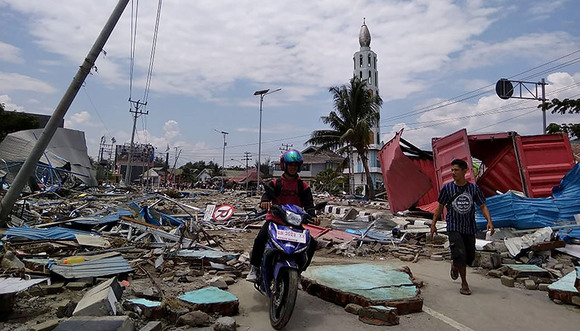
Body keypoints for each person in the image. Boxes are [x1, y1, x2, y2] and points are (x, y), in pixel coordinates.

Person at [246, 149, 319, 283]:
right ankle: (254, 268)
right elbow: (266, 194)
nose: (292, 167)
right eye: (290, 164)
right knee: (260, 238)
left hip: (295, 223)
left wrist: (313, 215)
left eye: (295, 165)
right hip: (275, 220)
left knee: (312, 243)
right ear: (284, 165)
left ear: (299, 167)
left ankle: (299, 272)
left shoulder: (303, 186)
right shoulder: (276, 183)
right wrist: (265, 202)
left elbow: (309, 204)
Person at [430, 159, 494, 295]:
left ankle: (455, 264)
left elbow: (482, 205)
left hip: (469, 227)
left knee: (469, 257)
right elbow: (440, 207)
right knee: (460, 254)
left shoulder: (473, 189)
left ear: (465, 171)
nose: (453, 173)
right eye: (452, 170)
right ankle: (464, 283)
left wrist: (489, 221)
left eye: (456, 170)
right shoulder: (447, 189)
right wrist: (433, 224)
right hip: (454, 226)